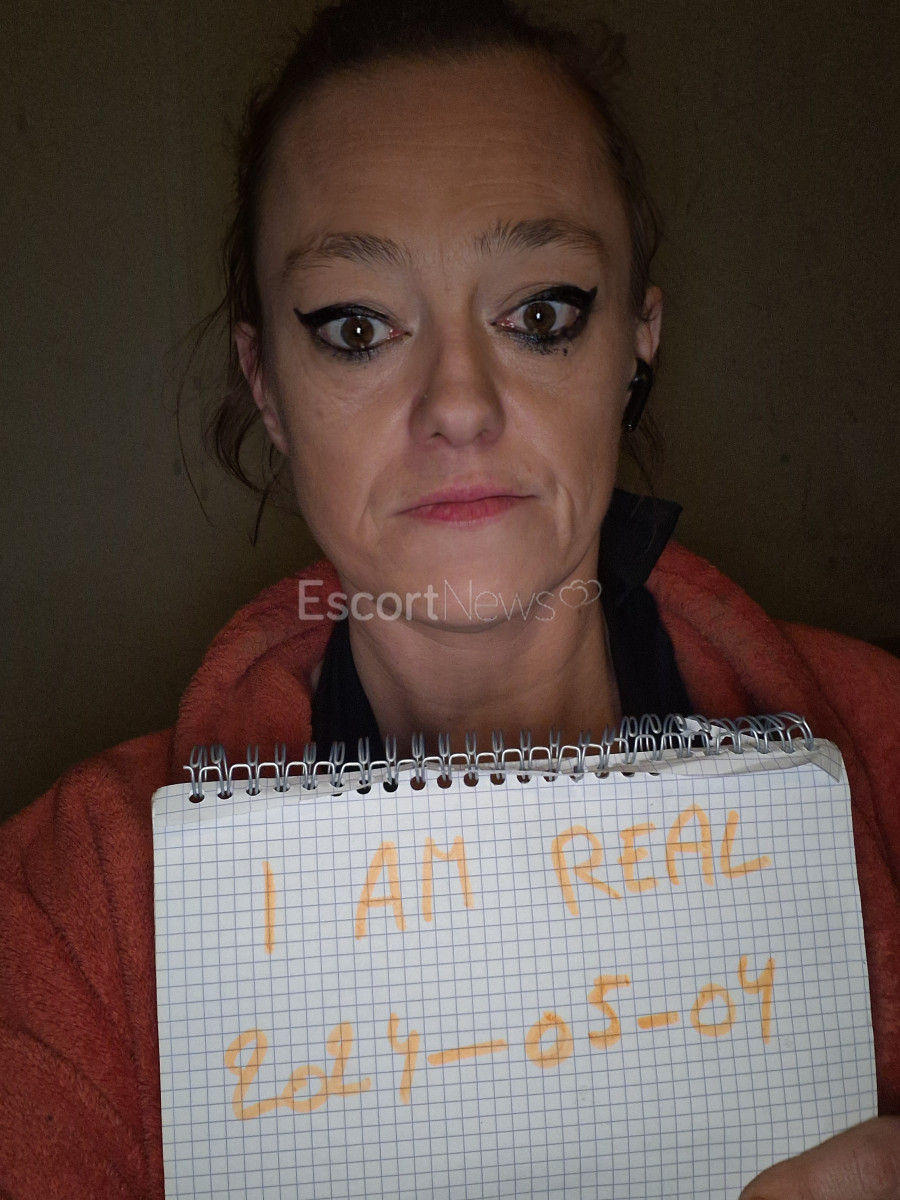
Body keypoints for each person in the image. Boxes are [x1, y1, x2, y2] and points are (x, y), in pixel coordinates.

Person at [1, 0, 899, 1196]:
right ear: (266, 384)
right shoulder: (68, 915)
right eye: (357, 326)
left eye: (541, 315)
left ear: (638, 339)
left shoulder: (887, 754)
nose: (460, 405)